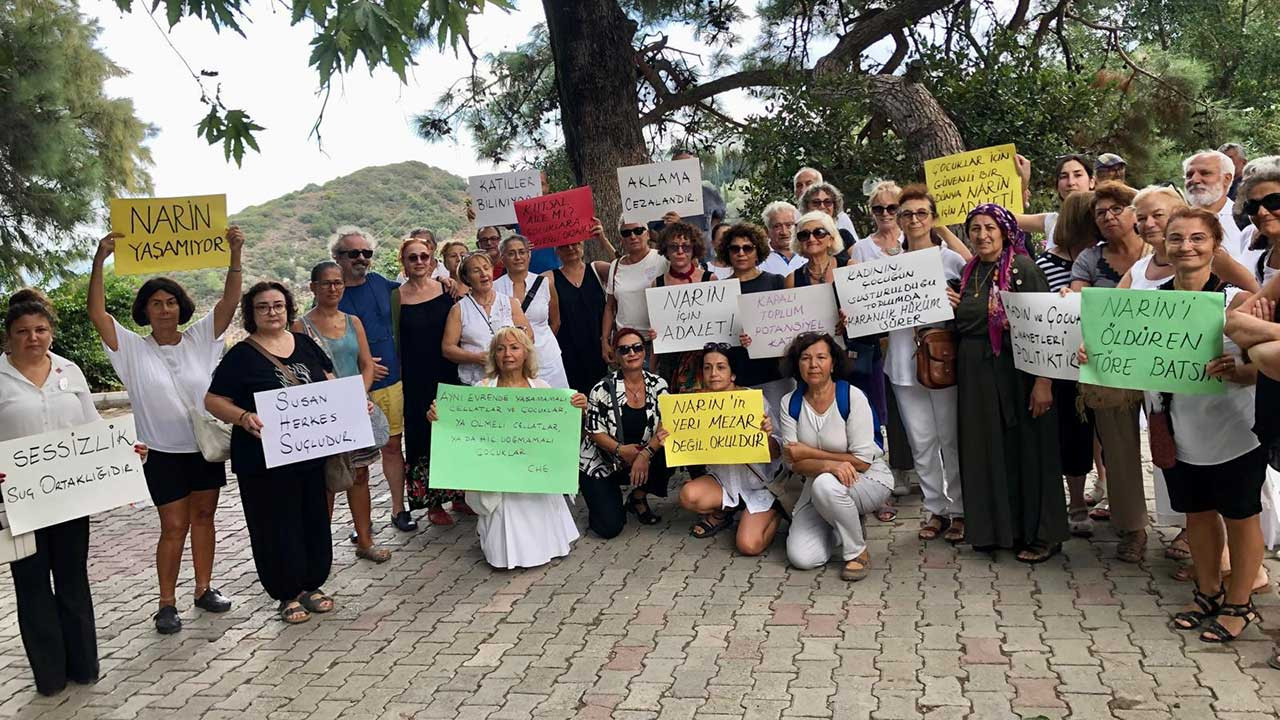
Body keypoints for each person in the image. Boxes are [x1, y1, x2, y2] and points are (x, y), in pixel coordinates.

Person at [1096, 209, 1264, 643]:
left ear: (1215, 246)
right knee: (1198, 516)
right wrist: (1094, 355)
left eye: (1196, 239)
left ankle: (1239, 602)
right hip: (1175, 430)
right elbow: (1119, 357)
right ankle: (1207, 591)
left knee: (1242, 517)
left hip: (1233, 432)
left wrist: (1243, 369)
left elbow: (1268, 362)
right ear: (1163, 245)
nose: (1186, 247)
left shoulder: (1237, 302)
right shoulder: (1147, 304)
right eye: (1176, 239)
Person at [87, 228, 242, 634]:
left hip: (203, 448)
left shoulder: (200, 339)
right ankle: (166, 602)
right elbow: (98, 315)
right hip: (162, 453)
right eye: (155, 303)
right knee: (174, 526)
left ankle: (204, 588)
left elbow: (229, 303)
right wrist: (99, 260)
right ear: (145, 310)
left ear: (181, 306)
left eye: (171, 302)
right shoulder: (131, 350)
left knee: (205, 517)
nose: (164, 309)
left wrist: (235, 254)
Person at [0, 289, 146, 695]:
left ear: (51, 332)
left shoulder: (70, 371)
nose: (33, 337)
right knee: (31, 586)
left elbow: (93, 426)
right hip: (20, 504)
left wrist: (125, 449)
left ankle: (84, 665)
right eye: (23, 331)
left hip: (68, 498)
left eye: (41, 329)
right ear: (9, 337)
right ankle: (48, 676)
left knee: (72, 579)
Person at [205, 282, 336, 625]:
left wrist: (351, 403)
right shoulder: (241, 355)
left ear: (288, 308)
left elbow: (329, 381)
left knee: (313, 518)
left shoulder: (305, 343)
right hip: (262, 460)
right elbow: (213, 400)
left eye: (278, 305)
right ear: (251, 313)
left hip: (309, 453)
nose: (272, 312)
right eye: (263, 307)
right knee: (274, 524)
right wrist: (243, 417)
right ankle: (286, 593)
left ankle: (312, 585)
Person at [947, 203, 1068, 562]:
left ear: (1004, 231)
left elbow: (1044, 327)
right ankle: (997, 530)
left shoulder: (1022, 268)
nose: (982, 236)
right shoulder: (970, 271)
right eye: (975, 229)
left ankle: (1042, 534)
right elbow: (967, 322)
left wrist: (1043, 382)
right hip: (977, 377)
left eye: (989, 228)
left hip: (1018, 375)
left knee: (1028, 452)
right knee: (986, 451)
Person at [427, 327, 586, 568]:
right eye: (500, 349)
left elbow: (557, 432)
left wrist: (577, 406)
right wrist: (439, 417)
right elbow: (463, 430)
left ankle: (547, 546)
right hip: (498, 475)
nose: (507, 354)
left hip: (534, 474)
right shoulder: (481, 391)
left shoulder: (542, 389)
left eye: (514, 348)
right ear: (493, 356)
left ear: (525, 354)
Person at [1067, 182, 1149, 562]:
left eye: (1118, 208)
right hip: (1112, 367)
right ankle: (1132, 528)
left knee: (1176, 447)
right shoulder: (1088, 258)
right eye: (1101, 213)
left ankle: (1187, 526)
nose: (1110, 217)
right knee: (1119, 451)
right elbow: (1079, 302)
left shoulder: (1161, 252)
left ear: (1135, 213)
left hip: (1167, 365)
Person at [884, 187, 968, 542]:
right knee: (921, 441)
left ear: (933, 217)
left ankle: (962, 510)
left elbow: (979, 294)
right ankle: (936, 509)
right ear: (899, 220)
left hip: (942, 361)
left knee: (950, 438)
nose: (914, 220)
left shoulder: (952, 259)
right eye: (907, 214)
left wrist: (959, 301)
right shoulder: (887, 264)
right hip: (903, 362)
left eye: (921, 213)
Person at [294, 262, 390, 561]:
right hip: (322, 415)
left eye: (337, 283)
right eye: (326, 283)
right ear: (313, 287)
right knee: (327, 482)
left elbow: (366, 364)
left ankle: (364, 540)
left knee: (360, 476)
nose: (333, 289)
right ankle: (320, 552)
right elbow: (302, 371)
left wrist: (357, 394)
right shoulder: (301, 326)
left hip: (356, 410)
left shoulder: (353, 322)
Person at [779, 332, 892, 581]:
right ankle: (842, 523)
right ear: (797, 364)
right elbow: (793, 462)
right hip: (820, 487)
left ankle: (857, 552)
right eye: (805, 358)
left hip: (868, 480)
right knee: (802, 558)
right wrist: (831, 464)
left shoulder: (852, 397)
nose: (813, 364)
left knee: (825, 484)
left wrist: (809, 454)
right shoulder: (790, 403)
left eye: (821, 357)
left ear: (833, 363)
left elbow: (862, 461)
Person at [331, 228, 415, 532]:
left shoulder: (383, 284)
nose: (362, 259)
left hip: (392, 382)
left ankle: (397, 508)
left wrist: (447, 280)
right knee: (359, 460)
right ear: (337, 257)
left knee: (393, 447)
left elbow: (418, 289)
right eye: (354, 253)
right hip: (353, 389)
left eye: (367, 253)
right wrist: (362, 366)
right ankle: (361, 522)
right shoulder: (332, 294)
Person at [1033, 191, 1101, 538]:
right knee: (1071, 435)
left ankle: (1098, 497)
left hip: (1099, 364)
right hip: (1061, 365)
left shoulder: (1101, 258)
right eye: (1095, 215)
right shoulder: (1045, 264)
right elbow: (1043, 320)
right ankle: (1073, 503)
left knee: (1095, 436)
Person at [677, 344, 783, 552]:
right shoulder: (697, 405)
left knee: (749, 546)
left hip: (759, 486)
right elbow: (690, 448)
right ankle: (725, 510)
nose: (713, 373)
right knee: (688, 495)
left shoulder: (753, 401)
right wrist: (672, 438)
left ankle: (775, 511)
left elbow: (778, 452)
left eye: (720, 367)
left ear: (733, 374)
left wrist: (767, 435)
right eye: (707, 368)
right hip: (723, 481)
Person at [393, 238, 468, 526]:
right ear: (404, 262)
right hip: (415, 378)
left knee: (453, 432)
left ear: (432, 258)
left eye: (424, 256)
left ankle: (460, 496)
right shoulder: (396, 298)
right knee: (422, 437)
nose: (419, 262)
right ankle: (433, 503)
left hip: (449, 372)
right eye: (413, 258)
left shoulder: (447, 289)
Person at [578, 328, 672, 537]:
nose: (632, 353)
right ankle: (605, 496)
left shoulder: (659, 384)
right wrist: (621, 450)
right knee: (609, 528)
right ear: (617, 355)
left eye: (637, 348)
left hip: (641, 454)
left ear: (644, 352)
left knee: (671, 450)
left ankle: (637, 498)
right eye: (625, 349)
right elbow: (593, 432)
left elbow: (665, 425)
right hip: (603, 460)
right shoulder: (601, 388)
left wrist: (645, 455)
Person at [726, 223, 792, 412]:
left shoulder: (776, 281)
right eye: (735, 248)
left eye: (747, 248)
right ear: (727, 252)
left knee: (779, 431)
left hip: (774, 373)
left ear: (758, 251)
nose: (741, 253)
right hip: (737, 374)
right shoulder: (720, 290)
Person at [442, 253, 533, 387]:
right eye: (476, 271)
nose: (483, 274)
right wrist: (476, 358)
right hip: (473, 382)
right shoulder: (458, 309)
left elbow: (529, 337)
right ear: (466, 277)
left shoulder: (510, 303)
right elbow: (448, 349)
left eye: (486, 268)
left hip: (509, 381)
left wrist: (511, 354)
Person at [649, 221, 716, 392]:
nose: (680, 251)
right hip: (670, 359)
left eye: (685, 247)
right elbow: (656, 328)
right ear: (665, 250)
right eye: (673, 247)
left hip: (704, 359)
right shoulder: (657, 284)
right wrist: (651, 368)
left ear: (694, 249)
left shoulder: (710, 279)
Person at [494, 235, 569, 388]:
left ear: (529, 255)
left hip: (546, 356)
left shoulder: (545, 283)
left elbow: (555, 321)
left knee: (554, 404)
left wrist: (537, 344)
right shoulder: (494, 289)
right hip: (510, 360)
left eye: (522, 252)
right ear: (502, 258)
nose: (517, 257)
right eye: (511, 253)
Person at [551, 229, 611, 395]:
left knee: (601, 397)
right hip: (568, 352)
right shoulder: (550, 278)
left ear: (583, 244)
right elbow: (526, 285)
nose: (570, 248)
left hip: (599, 349)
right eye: (564, 246)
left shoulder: (597, 269)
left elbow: (626, 269)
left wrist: (603, 240)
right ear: (556, 250)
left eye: (575, 243)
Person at [601, 221, 667, 365]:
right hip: (624, 344)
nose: (633, 236)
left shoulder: (663, 259)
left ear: (648, 234)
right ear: (622, 239)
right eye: (626, 233)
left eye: (638, 230)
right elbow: (610, 307)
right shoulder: (615, 266)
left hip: (655, 343)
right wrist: (605, 340)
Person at [1014, 153, 1096, 246]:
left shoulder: (1103, 219)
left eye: (1078, 175)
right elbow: (1003, 216)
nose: (1071, 182)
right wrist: (1023, 182)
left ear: (1092, 182)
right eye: (1064, 177)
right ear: (1057, 186)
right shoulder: (1052, 221)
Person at [1184, 150, 1245, 257]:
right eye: (1189, 175)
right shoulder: (1176, 221)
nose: (1195, 180)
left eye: (1205, 173)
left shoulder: (1245, 220)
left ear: (1227, 179)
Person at [794, 166, 859, 240]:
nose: (804, 189)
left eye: (809, 184)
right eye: (799, 186)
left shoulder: (841, 218)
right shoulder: (792, 219)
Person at [671, 149, 727, 233]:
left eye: (690, 165)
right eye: (680, 166)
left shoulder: (709, 193)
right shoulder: (660, 199)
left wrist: (710, 235)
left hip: (705, 245)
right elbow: (652, 231)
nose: (685, 170)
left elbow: (719, 216)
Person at [783, 211, 841, 289]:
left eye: (819, 233)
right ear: (799, 242)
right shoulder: (792, 280)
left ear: (830, 240)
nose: (811, 239)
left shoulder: (850, 267)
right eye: (804, 235)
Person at [800, 182, 857, 261]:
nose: (822, 206)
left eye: (827, 202)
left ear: (835, 206)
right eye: (816, 202)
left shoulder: (844, 236)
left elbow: (860, 265)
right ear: (807, 206)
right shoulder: (801, 237)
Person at [757, 201, 806, 277]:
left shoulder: (809, 252)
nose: (784, 232)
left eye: (789, 225)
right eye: (777, 226)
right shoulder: (759, 258)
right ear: (767, 231)